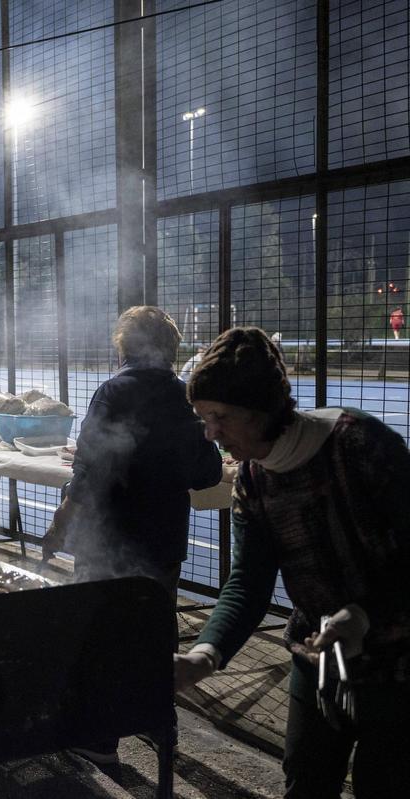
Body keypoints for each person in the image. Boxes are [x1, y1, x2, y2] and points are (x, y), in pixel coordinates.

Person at [174, 327, 410, 797]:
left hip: (399, 660)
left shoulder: (357, 444)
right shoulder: (253, 481)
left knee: (386, 783)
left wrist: (364, 614)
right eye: (203, 418)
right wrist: (205, 654)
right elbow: (247, 583)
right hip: (321, 654)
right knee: (306, 778)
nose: (211, 433)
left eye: (220, 417)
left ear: (261, 409)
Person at [42, 307, 222, 766]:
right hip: (163, 539)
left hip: (109, 536)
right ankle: (160, 723)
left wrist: (62, 522)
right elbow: (207, 471)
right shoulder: (185, 396)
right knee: (156, 633)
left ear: (123, 346)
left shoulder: (113, 390)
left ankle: (99, 740)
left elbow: (89, 468)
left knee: (99, 634)